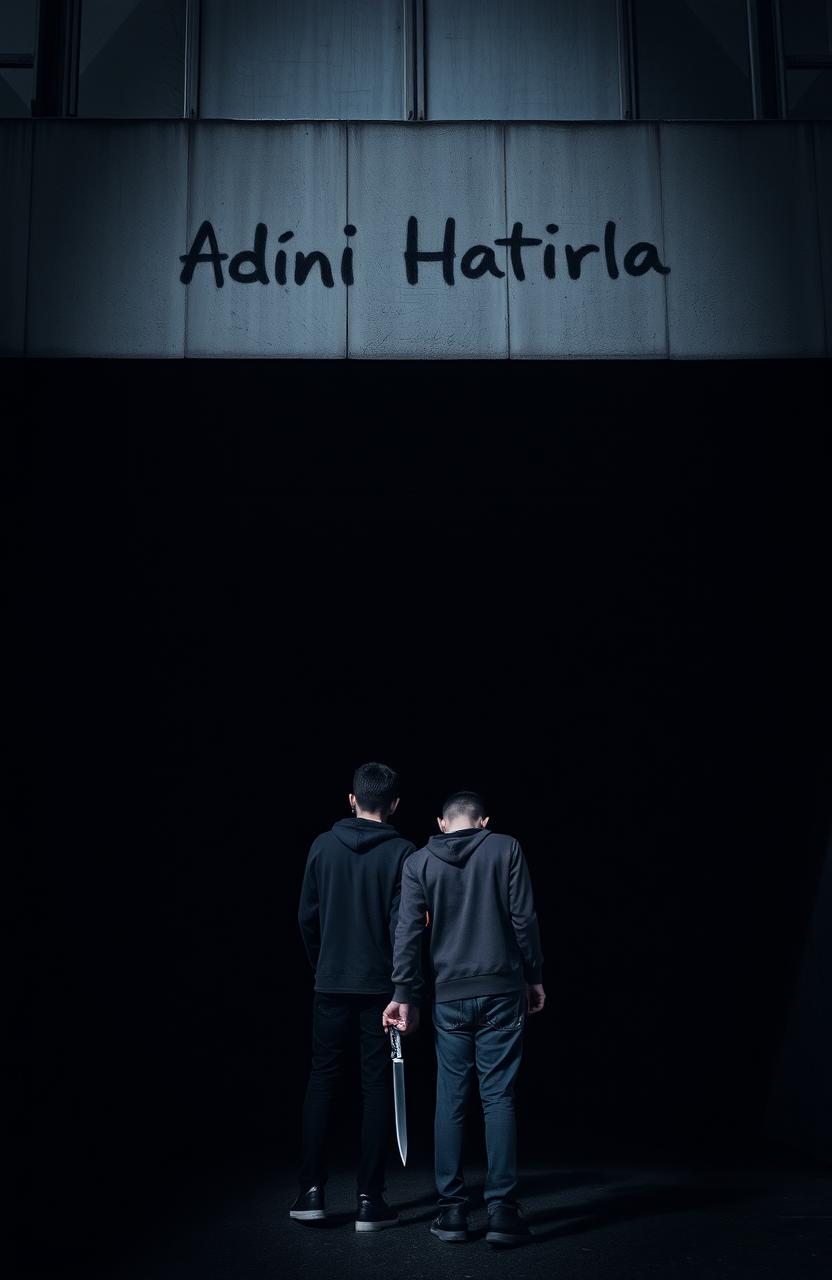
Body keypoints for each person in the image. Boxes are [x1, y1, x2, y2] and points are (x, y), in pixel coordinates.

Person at [384, 790, 544, 1247]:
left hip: (449, 997)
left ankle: (452, 1212)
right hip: (502, 991)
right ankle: (502, 1212)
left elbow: (408, 933)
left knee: (450, 1098)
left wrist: (403, 994)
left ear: (440, 823)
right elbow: (524, 918)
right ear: (484, 821)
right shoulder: (506, 847)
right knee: (499, 1098)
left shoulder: (418, 862)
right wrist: (534, 977)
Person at [291, 762, 419, 1231]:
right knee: (376, 1088)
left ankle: (310, 1192)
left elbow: (307, 918)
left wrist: (323, 966)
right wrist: (405, 987)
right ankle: (370, 1199)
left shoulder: (322, 846)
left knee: (322, 1080)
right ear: (395, 804)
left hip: (330, 982)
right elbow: (404, 928)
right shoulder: (404, 852)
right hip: (381, 989)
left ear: (351, 799)